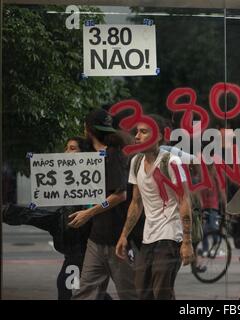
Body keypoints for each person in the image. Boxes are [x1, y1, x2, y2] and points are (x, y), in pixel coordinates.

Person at [2, 137, 116, 300]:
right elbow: (54, 217)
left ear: (85, 154)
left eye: (72, 148)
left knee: (78, 290)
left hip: (87, 254)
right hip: (73, 253)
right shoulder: (63, 189)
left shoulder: (98, 185)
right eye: (66, 148)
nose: (67, 152)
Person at [115, 114, 194, 300]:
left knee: (162, 292)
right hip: (149, 236)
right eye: (137, 132)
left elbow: (184, 200)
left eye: (144, 132)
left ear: (158, 136)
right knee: (142, 291)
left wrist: (187, 241)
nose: (137, 136)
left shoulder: (171, 163)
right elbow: (136, 203)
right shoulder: (136, 162)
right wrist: (124, 235)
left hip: (170, 234)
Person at [69, 109, 137, 300]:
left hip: (118, 240)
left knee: (130, 295)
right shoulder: (88, 157)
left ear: (87, 130)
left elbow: (121, 195)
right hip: (96, 238)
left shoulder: (114, 155)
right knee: (84, 293)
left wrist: (89, 213)